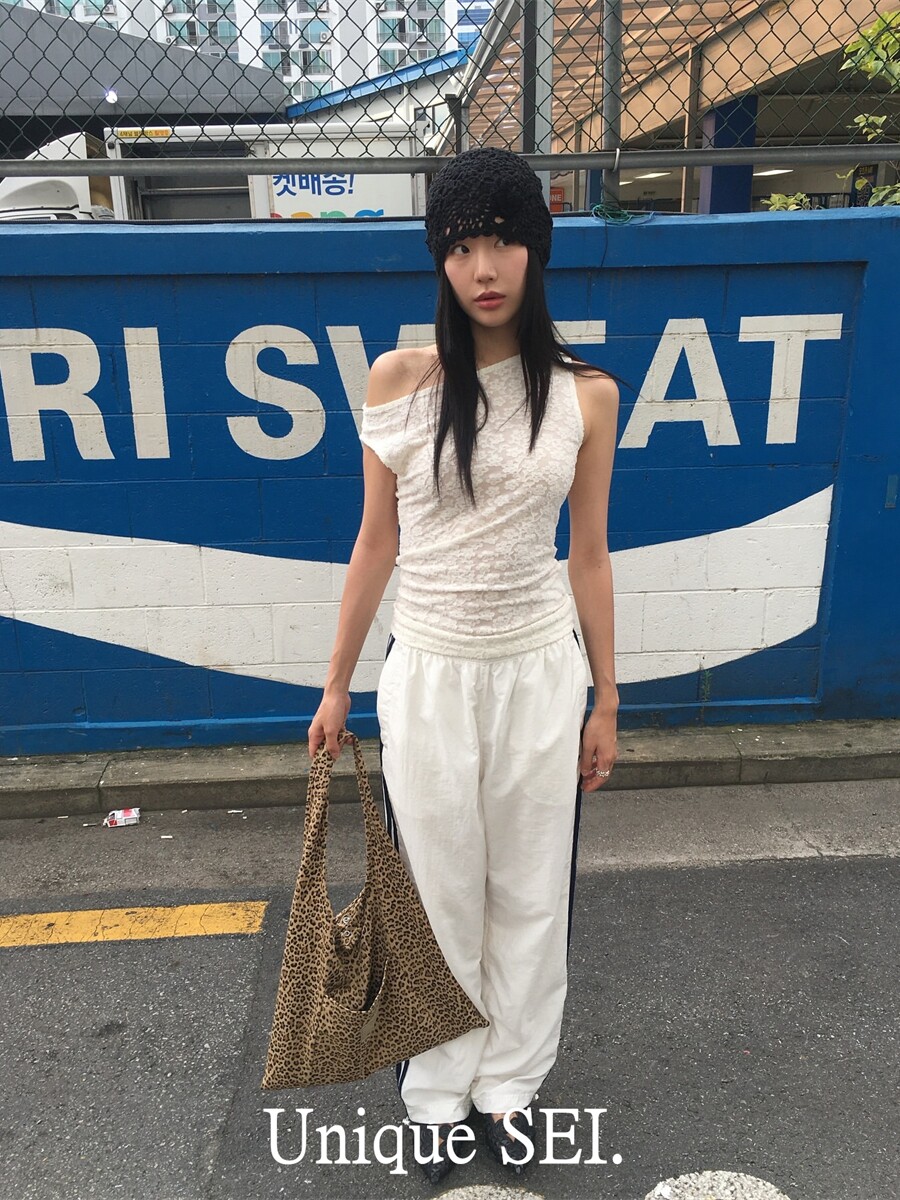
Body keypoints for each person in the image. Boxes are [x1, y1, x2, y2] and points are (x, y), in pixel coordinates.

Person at [307, 146, 619, 1184]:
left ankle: (511, 1087)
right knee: (438, 896)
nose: (484, 267)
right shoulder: (399, 381)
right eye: (462, 245)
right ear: (440, 259)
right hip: (430, 673)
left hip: (541, 673)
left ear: (537, 248)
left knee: (530, 895)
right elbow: (375, 542)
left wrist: (607, 699)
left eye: (504, 241)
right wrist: (336, 682)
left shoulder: (586, 395)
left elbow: (588, 554)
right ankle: (436, 1097)